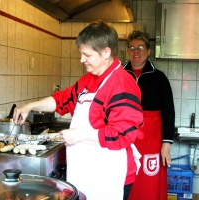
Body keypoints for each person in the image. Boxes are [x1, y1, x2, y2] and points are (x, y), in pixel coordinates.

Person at [13, 20, 144, 200]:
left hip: (110, 174)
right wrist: (30, 106)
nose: (82, 60)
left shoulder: (122, 85)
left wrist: (80, 135)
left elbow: (122, 134)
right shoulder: (88, 80)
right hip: (85, 170)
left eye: (87, 55)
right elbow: (62, 100)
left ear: (106, 52)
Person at [123, 31, 175, 200]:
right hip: (125, 138)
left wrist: (166, 143)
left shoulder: (159, 78)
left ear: (148, 51)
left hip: (151, 139)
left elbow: (169, 111)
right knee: (125, 179)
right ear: (127, 51)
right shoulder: (119, 76)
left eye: (140, 47)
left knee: (149, 182)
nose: (136, 52)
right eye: (131, 48)